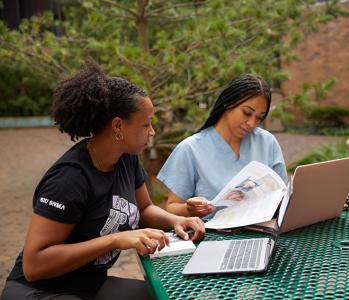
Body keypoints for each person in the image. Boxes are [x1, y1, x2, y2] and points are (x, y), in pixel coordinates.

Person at [0, 61, 205, 300]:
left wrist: (177, 220)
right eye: (146, 124)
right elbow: (34, 266)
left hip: (88, 285)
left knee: (169, 296)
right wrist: (114, 239)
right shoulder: (69, 178)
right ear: (118, 126)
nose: (152, 132)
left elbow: (144, 209)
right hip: (39, 291)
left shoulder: (127, 159)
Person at [157, 74, 288, 218]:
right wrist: (190, 210)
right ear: (229, 103)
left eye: (259, 118)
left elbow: (283, 193)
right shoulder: (190, 149)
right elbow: (171, 208)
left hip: (263, 231)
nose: (252, 123)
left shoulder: (267, 142)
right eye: (247, 113)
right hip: (212, 236)